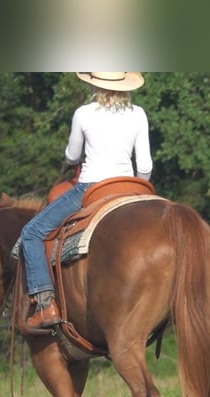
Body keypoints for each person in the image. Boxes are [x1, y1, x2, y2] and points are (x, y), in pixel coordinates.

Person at [20, 72, 152, 332]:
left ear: (94, 83)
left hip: (92, 187)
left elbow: (72, 155)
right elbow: (145, 165)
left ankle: (46, 304)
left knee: (31, 233)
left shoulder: (83, 113)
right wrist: (140, 188)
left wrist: (72, 160)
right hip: (130, 187)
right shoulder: (138, 113)